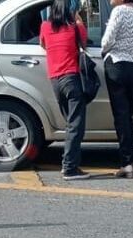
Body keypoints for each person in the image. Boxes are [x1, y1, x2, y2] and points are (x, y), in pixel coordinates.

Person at [40, 0, 90, 180]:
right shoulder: (74, 28)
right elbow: (84, 44)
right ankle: (70, 168)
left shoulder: (45, 27)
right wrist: (77, 20)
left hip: (55, 80)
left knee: (71, 124)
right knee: (76, 126)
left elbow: (43, 45)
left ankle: (70, 165)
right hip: (72, 79)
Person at [101, 0, 133, 179]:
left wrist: (104, 52)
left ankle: (126, 163)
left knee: (121, 117)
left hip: (118, 66)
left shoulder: (119, 11)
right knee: (128, 115)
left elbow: (106, 41)